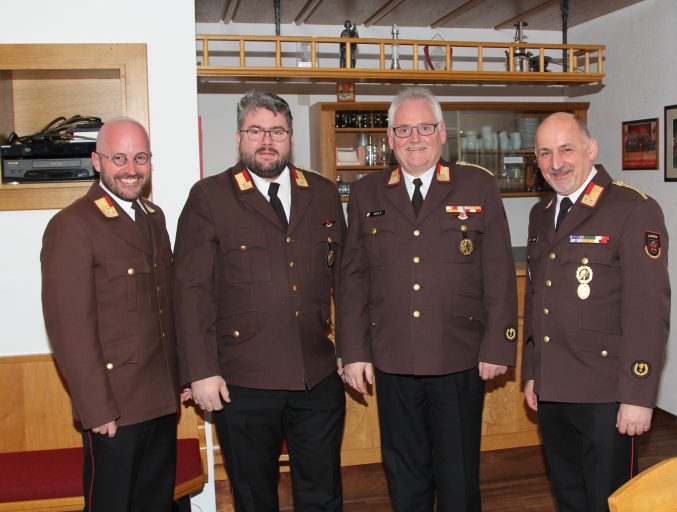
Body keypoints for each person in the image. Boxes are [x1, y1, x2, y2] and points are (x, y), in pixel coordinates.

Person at [338, 86, 518, 511]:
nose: (414, 138)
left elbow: (497, 272)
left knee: (458, 477)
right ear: (390, 137)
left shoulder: (478, 185)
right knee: (405, 475)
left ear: (441, 133)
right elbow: (353, 278)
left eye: (424, 127)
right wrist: (354, 350)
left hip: (458, 356)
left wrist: (498, 345)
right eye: (404, 129)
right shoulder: (367, 192)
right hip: (393, 356)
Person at [173, 91, 346, 512]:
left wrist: (353, 349)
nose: (266, 141)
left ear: (290, 138)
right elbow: (190, 291)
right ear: (238, 138)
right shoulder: (210, 197)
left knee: (323, 493)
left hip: (316, 375)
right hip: (243, 381)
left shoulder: (322, 192)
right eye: (255, 131)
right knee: (254, 497)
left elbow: (347, 278)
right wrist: (200, 371)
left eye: (277, 131)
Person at [522, 112, 671, 512]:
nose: (556, 163)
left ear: (591, 148)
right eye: (545, 153)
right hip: (554, 388)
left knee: (610, 501)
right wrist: (533, 372)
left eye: (566, 149)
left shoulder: (632, 209)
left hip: (607, 394)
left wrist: (638, 396)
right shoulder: (542, 213)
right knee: (569, 496)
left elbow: (648, 312)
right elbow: (536, 299)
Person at [41, 117, 180, 512]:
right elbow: (70, 329)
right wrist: (96, 407)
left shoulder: (153, 217)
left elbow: (165, 308)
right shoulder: (72, 225)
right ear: (96, 161)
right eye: (118, 158)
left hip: (161, 398)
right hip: (115, 406)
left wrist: (182, 376)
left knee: (154, 504)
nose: (130, 169)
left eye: (140, 158)